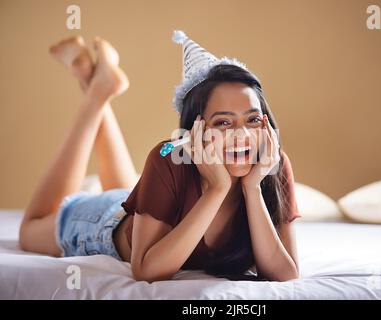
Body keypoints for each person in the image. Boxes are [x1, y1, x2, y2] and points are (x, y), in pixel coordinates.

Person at [19, 31, 301, 283]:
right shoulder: (168, 157)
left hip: (145, 215)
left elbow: (285, 273)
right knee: (30, 228)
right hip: (104, 225)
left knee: (129, 188)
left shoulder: (272, 166)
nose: (243, 136)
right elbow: (146, 271)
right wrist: (216, 189)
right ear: (195, 130)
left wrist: (252, 188)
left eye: (252, 120)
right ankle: (96, 94)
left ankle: (95, 82)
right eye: (223, 123)